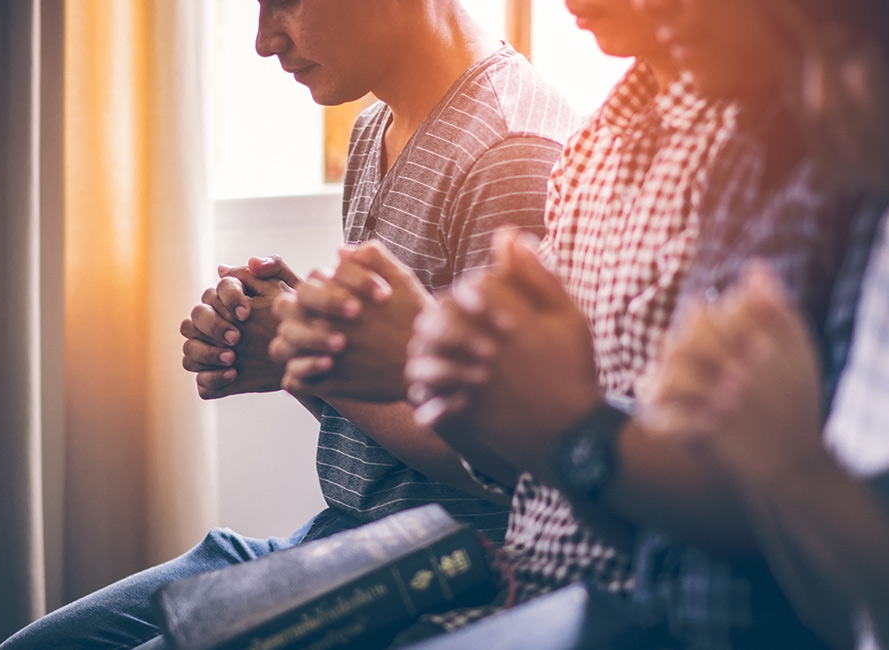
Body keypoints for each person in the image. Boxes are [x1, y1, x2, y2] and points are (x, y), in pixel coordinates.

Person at [0, 1, 577, 649]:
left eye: (287, 2)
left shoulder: (512, 153)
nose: (264, 40)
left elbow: (514, 475)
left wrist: (319, 363)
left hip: (450, 571)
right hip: (340, 538)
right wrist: (291, 354)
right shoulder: (373, 129)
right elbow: (389, 429)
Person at [403, 0, 889, 646]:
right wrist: (549, 418)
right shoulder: (727, 157)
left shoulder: (850, 178)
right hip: (632, 608)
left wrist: (568, 424)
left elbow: (784, 540)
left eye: (841, 51)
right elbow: (650, 521)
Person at [270, 0, 763, 641]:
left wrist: (406, 362)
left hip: (505, 576)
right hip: (490, 570)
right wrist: (343, 361)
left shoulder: (520, 144)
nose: (263, 42)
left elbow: (561, 464)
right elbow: (534, 461)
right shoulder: (598, 146)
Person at [642, 0, 889, 644]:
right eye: (799, 57)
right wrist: (766, 458)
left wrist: (796, 468)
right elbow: (849, 616)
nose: (816, 100)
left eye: (846, 51)